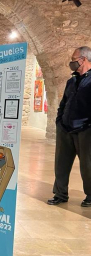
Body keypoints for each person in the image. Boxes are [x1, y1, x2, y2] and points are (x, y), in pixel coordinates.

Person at [48, 46, 91, 207]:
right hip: (65, 128)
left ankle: (90, 195)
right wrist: (59, 121)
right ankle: (60, 193)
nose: (71, 63)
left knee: (88, 164)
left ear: (83, 59)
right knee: (61, 163)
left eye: (74, 59)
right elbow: (64, 103)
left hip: (85, 130)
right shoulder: (71, 81)